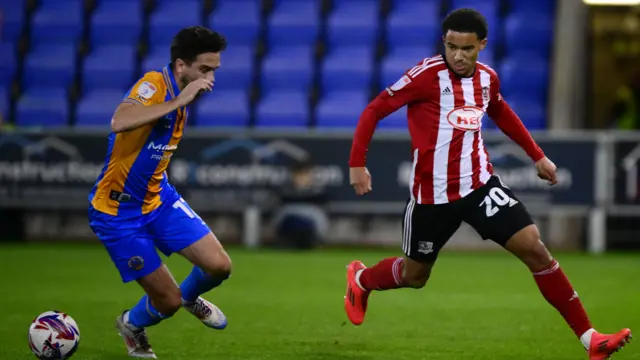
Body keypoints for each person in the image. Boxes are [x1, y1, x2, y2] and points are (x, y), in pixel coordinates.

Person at [343, 9, 632, 360]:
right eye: (451, 47)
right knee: (414, 275)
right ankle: (361, 280)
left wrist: (537, 156)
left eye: (466, 48)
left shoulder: (487, 79)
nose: (458, 56)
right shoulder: (425, 76)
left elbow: (501, 112)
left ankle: (591, 339)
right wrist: (357, 163)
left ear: (482, 45)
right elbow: (374, 109)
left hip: (480, 186)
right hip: (432, 197)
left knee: (535, 248)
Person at [88, 26, 230, 359]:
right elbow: (119, 120)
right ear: (181, 66)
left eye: (214, 70)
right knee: (165, 302)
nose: (210, 79)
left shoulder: (184, 92)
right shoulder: (154, 84)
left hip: (158, 199)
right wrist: (179, 99)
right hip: (117, 213)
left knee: (219, 267)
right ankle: (132, 325)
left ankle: (189, 296)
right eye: (204, 69)